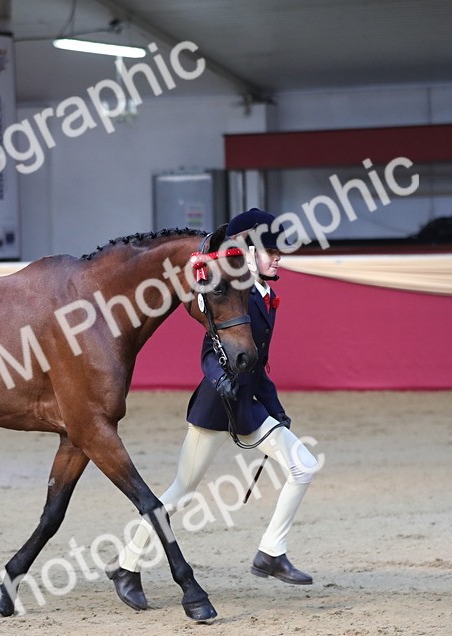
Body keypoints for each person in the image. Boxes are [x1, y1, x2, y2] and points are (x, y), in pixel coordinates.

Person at [108, 208, 320, 611]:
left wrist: (278, 410)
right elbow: (211, 350)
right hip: (216, 407)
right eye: (271, 252)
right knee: (181, 491)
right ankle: (127, 565)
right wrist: (218, 376)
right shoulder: (231, 294)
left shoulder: (262, 297)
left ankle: (271, 552)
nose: (279, 259)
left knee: (303, 465)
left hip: (248, 407)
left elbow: (257, 368)